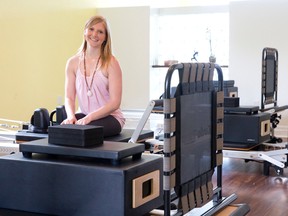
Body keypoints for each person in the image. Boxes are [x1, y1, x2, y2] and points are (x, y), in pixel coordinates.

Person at [61, 15, 125, 137]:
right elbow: (69, 97)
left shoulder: (111, 63)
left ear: (105, 37)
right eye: (91, 29)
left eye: (100, 32)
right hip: (85, 115)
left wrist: (90, 117)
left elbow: (115, 102)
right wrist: (70, 117)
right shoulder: (72, 63)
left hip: (111, 118)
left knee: (86, 132)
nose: (94, 34)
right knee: (64, 129)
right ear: (85, 32)